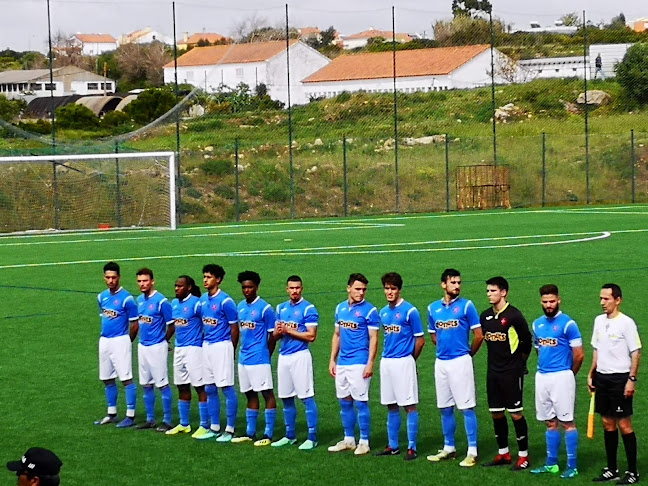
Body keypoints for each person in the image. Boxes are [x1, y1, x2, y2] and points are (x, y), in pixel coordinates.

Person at [427, 268, 483, 467]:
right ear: (444, 284)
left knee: (466, 407)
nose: (457, 286)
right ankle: (449, 447)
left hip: (461, 361)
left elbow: (479, 335)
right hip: (441, 362)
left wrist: (468, 354)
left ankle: (472, 450)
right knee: (445, 407)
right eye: (453, 283)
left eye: (459, 282)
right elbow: (433, 335)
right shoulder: (433, 308)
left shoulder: (467, 306)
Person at [588, 283, 642, 485]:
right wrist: (591, 373)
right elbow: (596, 348)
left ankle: (633, 472)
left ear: (617, 300)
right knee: (607, 423)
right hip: (602, 378)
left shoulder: (626, 323)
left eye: (606, 299)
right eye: (601, 298)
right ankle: (612, 469)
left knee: (624, 425)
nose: (602, 302)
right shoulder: (598, 321)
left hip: (620, 379)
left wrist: (631, 379)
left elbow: (636, 352)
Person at [530, 285, 584, 479]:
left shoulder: (568, 324)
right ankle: (551, 463)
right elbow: (538, 349)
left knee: (567, 422)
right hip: (542, 376)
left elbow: (579, 355)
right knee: (550, 422)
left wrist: (569, 374)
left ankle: (572, 465)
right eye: (545, 302)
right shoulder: (537, 324)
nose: (548, 305)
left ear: (558, 300)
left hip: (561, 376)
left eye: (551, 301)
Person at [480, 276, 532, 471]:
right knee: (496, 414)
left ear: (504, 292)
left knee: (516, 414)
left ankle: (523, 455)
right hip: (492, 372)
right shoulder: (485, 316)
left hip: (511, 373)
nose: (489, 294)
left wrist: (520, 363)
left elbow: (526, 341)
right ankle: (503, 452)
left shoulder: (514, 316)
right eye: (488, 291)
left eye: (493, 291)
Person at [374, 272, 425, 461]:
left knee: (409, 405)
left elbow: (420, 341)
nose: (389, 292)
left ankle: (412, 447)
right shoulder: (383, 312)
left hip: (404, 361)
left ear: (399, 290)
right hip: (386, 362)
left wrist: (410, 360)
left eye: (393, 288)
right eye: (386, 288)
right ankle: (393, 445)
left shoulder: (410, 311)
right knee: (391, 405)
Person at [328, 273, 379, 456]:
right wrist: (332, 359)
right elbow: (337, 334)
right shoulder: (340, 308)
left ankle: (364, 441)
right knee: (344, 401)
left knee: (361, 402)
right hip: (342, 362)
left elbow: (374, 338)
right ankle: (349, 439)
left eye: (364, 289)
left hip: (359, 362)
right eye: (357, 289)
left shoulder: (370, 311)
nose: (361, 292)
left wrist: (370, 363)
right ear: (348, 288)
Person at [271, 275, 320, 450]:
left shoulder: (308, 309)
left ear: (302, 289)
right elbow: (276, 335)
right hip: (284, 356)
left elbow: (311, 335)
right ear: (287, 289)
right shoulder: (280, 308)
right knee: (286, 397)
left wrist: (288, 330)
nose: (295, 291)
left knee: (306, 397)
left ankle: (312, 437)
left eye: (297, 288)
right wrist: (278, 332)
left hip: (300, 356)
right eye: (291, 288)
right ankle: (290, 435)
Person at [231, 270, 277, 446]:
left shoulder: (265, 308)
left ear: (257, 287)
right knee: (249, 394)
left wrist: (266, 353)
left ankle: (268, 433)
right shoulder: (240, 306)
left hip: (259, 358)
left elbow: (272, 335)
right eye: (244, 287)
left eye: (250, 287)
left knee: (267, 394)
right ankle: (250, 432)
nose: (247, 290)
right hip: (244, 358)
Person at [197, 263, 239, 441]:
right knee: (209, 387)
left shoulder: (226, 301)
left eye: (209, 277)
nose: (205, 280)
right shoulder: (202, 301)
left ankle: (229, 428)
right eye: (204, 277)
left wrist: (231, 349)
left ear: (218, 279)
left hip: (222, 346)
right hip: (207, 346)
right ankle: (214, 426)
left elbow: (234, 328)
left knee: (226, 387)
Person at [94, 261, 139, 428]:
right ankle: (111, 413)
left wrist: (127, 341)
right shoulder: (101, 297)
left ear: (119, 277)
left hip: (120, 340)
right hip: (104, 340)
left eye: (113, 277)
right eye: (108, 277)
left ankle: (130, 415)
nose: (111, 280)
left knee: (126, 378)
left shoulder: (127, 299)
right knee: (107, 378)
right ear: (104, 278)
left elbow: (135, 324)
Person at [166, 276, 209, 436]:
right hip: (179, 349)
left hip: (194, 349)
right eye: (175, 286)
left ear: (189, 288)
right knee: (181, 385)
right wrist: (166, 340)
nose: (176, 289)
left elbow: (208, 323)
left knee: (199, 387)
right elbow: (174, 325)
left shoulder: (197, 303)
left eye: (180, 286)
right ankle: (184, 424)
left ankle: (204, 425)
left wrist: (204, 341)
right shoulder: (174, 304)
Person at [134, 267, 175, 432]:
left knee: (162, 384)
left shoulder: (161, 301)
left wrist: (163, 341)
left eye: (145, 281)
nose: (142, 284)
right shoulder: (139, 300)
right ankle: (150, 419)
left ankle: (167, 420)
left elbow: (172, 325)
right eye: (139, 281)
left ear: (152, 281)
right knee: (146, 384)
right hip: (142, 346)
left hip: (157, 347)